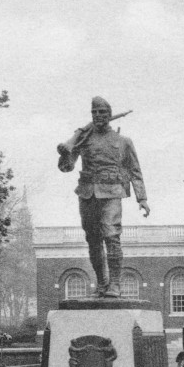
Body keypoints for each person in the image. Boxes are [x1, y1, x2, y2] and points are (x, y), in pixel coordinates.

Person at [57, 96, 150, 297]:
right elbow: (66, 167)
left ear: (109, 115)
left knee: (111, 236)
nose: (98, 115)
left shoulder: (122, 141)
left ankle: (115, 285)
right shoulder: (83, 138)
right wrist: (65, 153)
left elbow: (135, 171)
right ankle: (102, 284)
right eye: (94, 112)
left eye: (102, 112)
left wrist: (141, 199)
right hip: (87, 193)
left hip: (112, 193)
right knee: (92, 239)